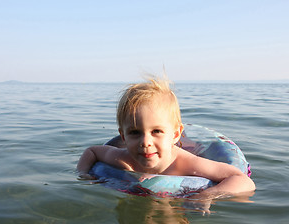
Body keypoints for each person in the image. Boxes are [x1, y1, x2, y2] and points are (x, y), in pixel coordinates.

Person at [77, 75, 255, 200]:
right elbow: (92, 151)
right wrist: (83, 174)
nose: (145, 142)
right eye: (135, 132)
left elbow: (243, 181)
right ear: (123, 136)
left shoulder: (186, 164)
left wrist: (206, 195)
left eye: (156, 131)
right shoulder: (123, 160)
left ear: (176, 134)